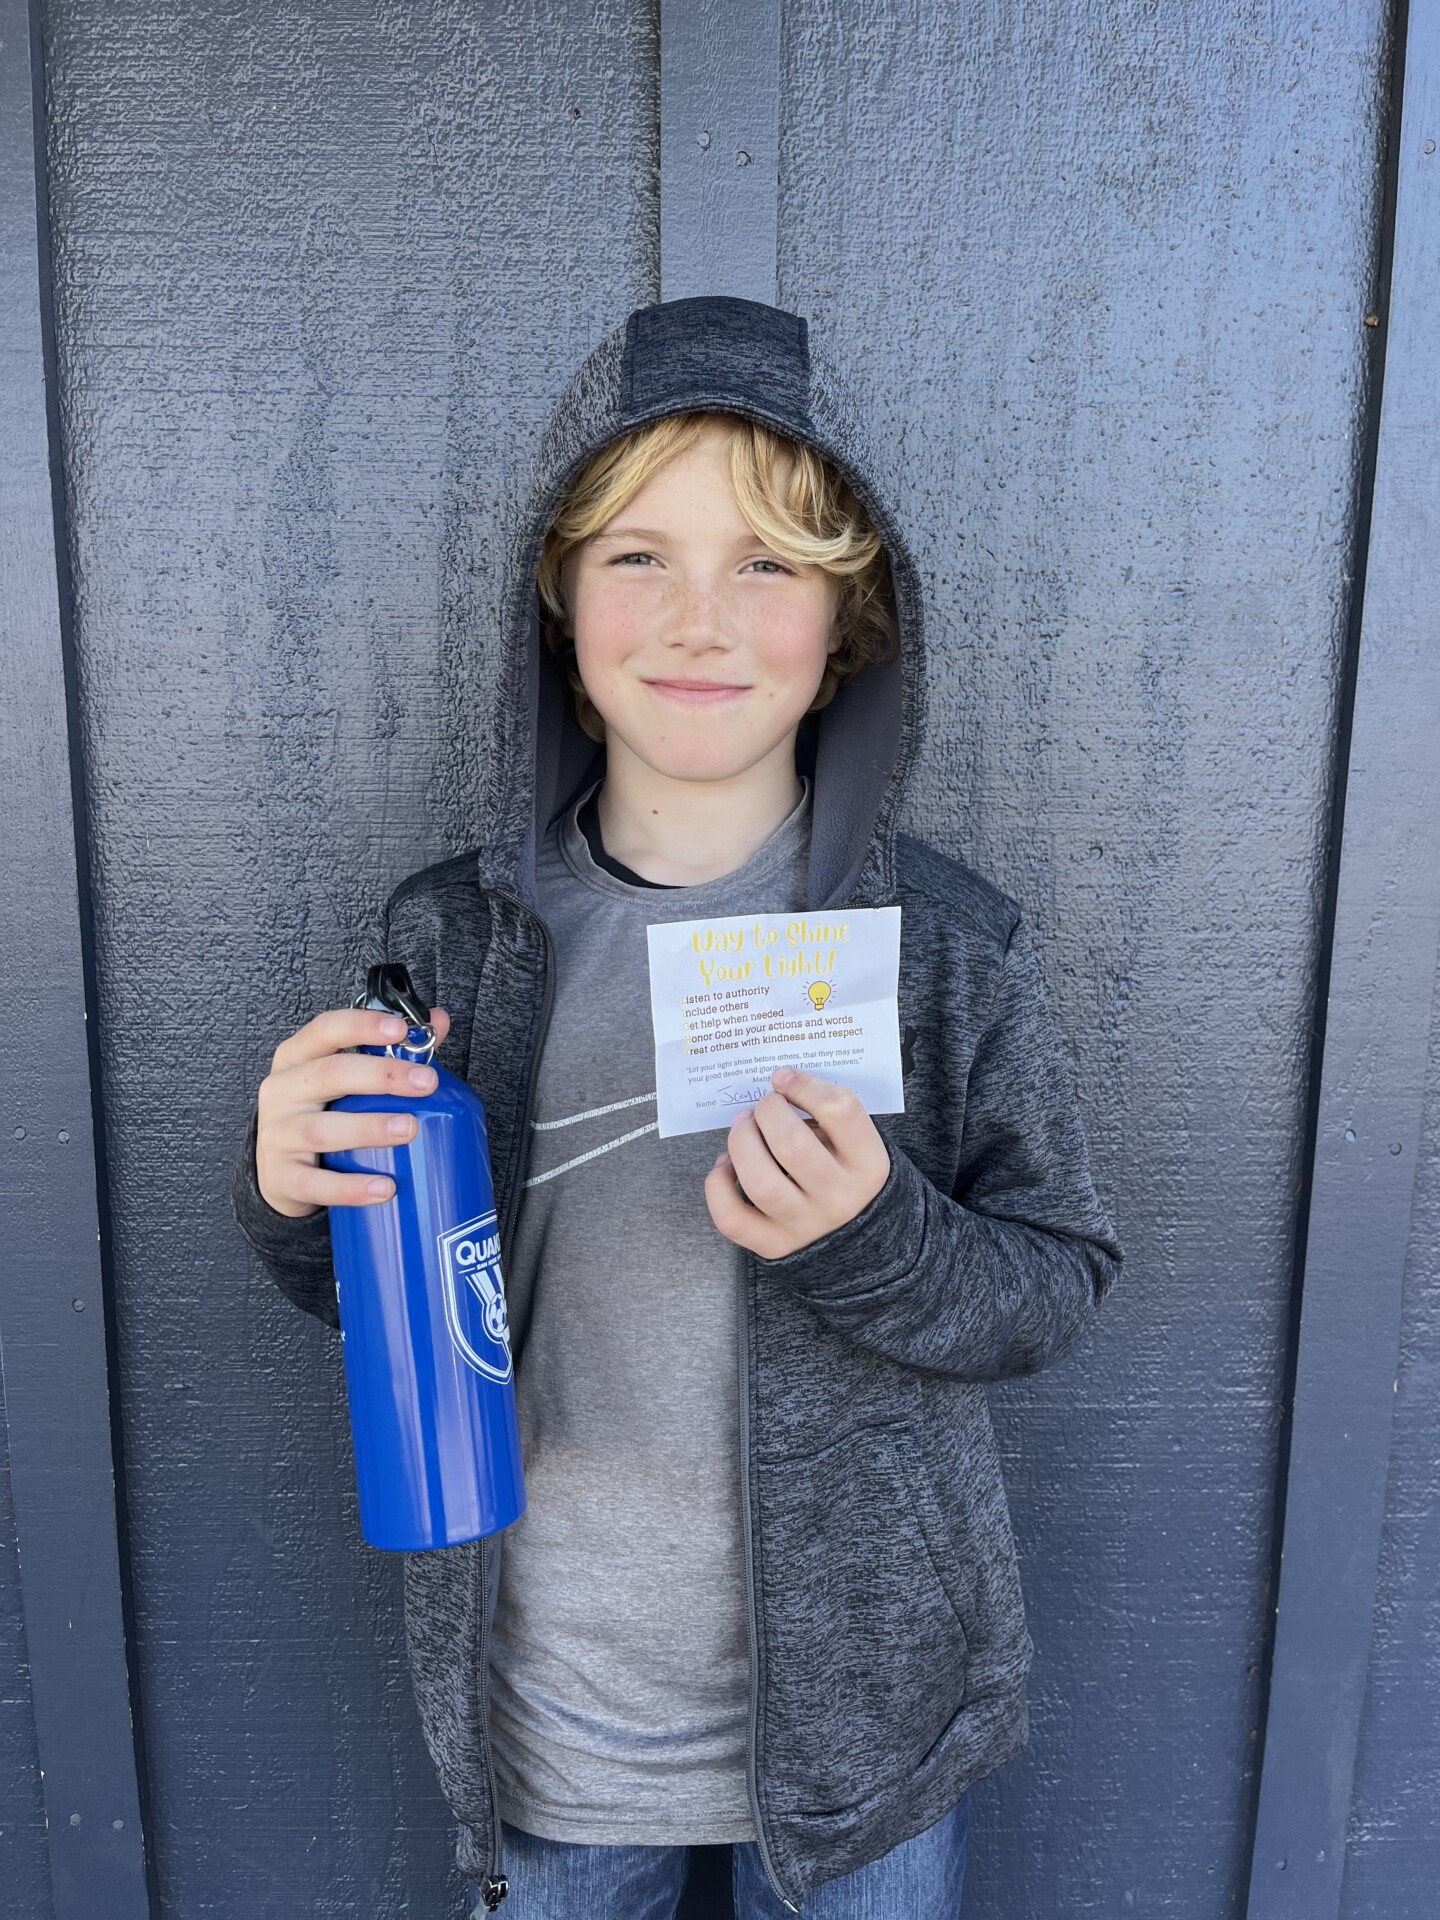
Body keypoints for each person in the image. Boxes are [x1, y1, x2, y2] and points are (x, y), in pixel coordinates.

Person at [230, 295, 1123, 1919]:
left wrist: (876, 1235)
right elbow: (391, 1294)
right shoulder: (452, 936)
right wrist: (295, 1196)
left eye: (768, 563)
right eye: (638, 554)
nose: (700, 619)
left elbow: (1055, 1281)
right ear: (559, 599)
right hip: (553, 1719)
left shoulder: (946, 950)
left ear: (849, 621)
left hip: (870, 1737)